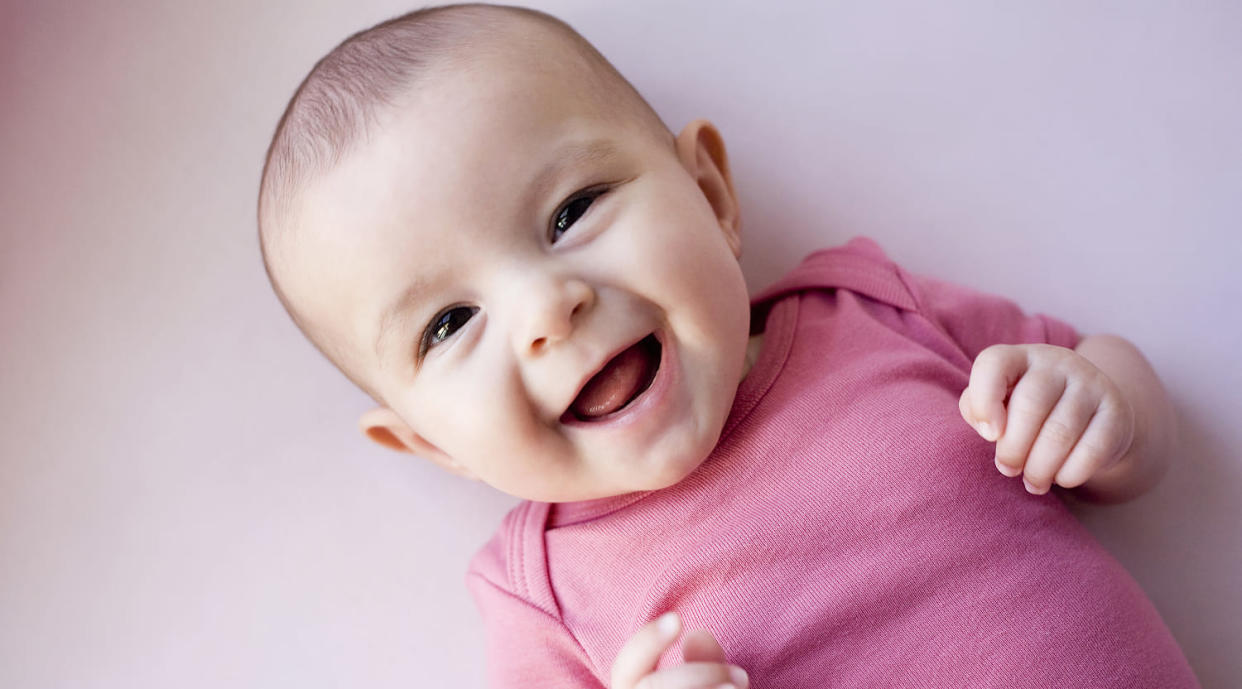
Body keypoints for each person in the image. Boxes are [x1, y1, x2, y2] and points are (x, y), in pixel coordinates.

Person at [256, 4, 1199, 687]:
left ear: (709, 193)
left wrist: (1099, 409)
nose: (549, 307)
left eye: (571, 211)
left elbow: (1129, 422)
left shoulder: (866, 309)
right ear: (432, 444)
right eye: (448, 323)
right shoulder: (538, 592)